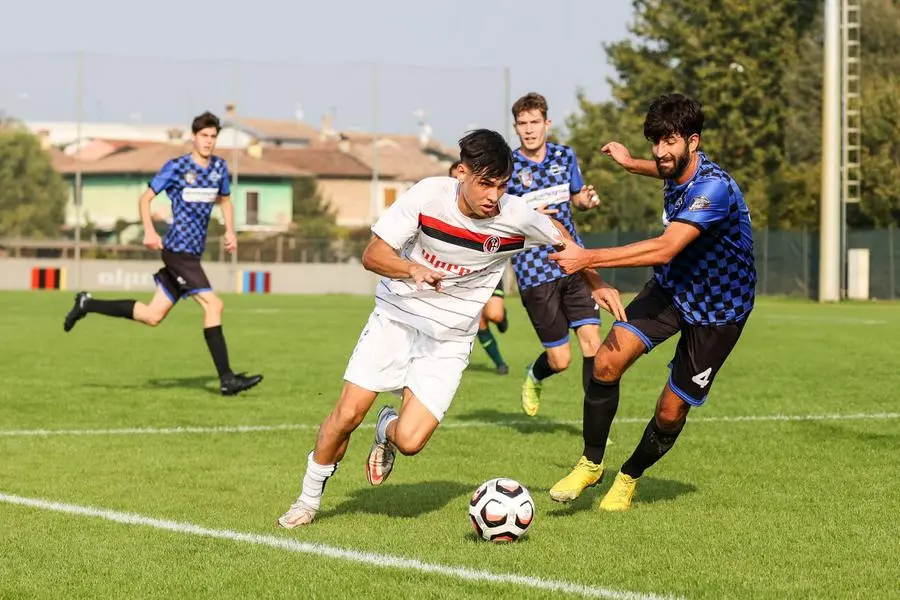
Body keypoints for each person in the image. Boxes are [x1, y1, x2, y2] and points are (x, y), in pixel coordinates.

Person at [276, 129, 625, 528]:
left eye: (501, 185)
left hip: (450, 339)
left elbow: (563, 239)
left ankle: (386, 427)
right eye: (485, 183)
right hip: (398, 315)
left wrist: (598, 283)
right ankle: (307, 500)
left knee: (409, 441)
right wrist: (412, 269)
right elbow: (373, 254)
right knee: (348, 413)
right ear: (462, 171)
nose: (493, 195)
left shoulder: (515, 215)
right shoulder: (428, 196)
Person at [547, 93, 756, 510]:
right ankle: (591, 463)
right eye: (654, 142)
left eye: (670, 142)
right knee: (605, 362)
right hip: (673, 290)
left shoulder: (713, 188)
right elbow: (663, 170)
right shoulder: (674, 167)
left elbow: (664, 248)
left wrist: (588, 258)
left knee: (669, 412)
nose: (660, 152)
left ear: (693, 142)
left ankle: (629, 476)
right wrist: (629, 164)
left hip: (720, 311)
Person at [62, 111, 263, 397]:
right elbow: (145, 199)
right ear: (194, 137)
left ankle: (87, 304)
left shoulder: (219, 168)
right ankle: (227, 379)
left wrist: (231, 230)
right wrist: (149, 231)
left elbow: (226, 201)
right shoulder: (177, 167)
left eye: (213, 137)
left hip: (193, 254)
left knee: (152, 315)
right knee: (213, 306)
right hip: (177, 252)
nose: (208, 142)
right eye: (204, 136)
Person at [506, 92, 602, 420]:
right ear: (515, 127)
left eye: (535, 122)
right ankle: (535, 375)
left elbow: (576, 196)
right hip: (534, 272)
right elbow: (494, 215)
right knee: (561, 360)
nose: (529, 129)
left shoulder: (565, 155)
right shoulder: (507, 166)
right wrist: (527, 212)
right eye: (523, 123)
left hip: (572, 261)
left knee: (593, 344)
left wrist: (586, 201)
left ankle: (595, 424)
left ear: (547, 123)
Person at [450, 159, 510, 375]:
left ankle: (502, 317)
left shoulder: (487, 209)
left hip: (488, 271)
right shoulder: (445, 210)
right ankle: (500, 363)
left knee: (493, 315)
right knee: (479, 321)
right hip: (462, 277)